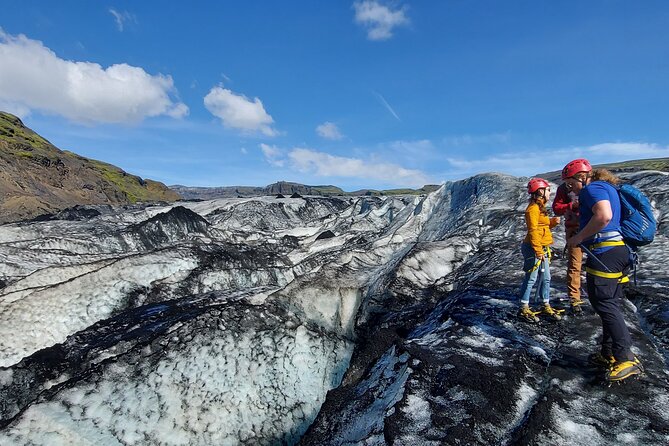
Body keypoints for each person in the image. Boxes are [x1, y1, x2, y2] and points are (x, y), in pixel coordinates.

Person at [563, 158, 643, 382]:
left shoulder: (592, 189)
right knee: (611, 302)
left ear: (582, 177)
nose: (571, 190)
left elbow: (604, 216)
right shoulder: (607, 188)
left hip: (605, 252)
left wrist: (579, 237)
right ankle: (608, 353)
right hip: (619, 252)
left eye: (571, 184)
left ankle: (626, 356)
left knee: (604, 303)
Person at [518, 178, 562, 323]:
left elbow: (541, 228)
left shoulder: (540, 208)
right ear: (540, 191)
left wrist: (551, 223)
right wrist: (538, 251)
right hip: (533, 247)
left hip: (541, 247)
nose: (550, 192)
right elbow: (533, 231)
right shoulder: (532, 209)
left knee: (546, 277)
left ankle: (545, 304)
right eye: (548, 190)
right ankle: (524, 307)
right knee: (531, 277)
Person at [552, 180, 585, 310]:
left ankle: (601, 293)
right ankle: (574, 298)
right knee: (575, 264)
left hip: (592, 227)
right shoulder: (564, 188)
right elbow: (557, 208)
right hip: (575, 229)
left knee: (598, 264)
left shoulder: (593, 184)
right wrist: (572, 205)